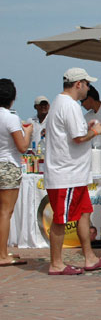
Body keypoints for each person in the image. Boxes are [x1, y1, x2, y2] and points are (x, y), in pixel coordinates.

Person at [43, 68, 101, 275]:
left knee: (83, 213)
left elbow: (74, 133)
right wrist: (94, 131)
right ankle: (56, 263)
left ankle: (89, 257)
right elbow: (78, 138)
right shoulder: (70, 105)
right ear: (78, 84)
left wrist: (87, 128)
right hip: (66, 174)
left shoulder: (59, 102)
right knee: (61, 219)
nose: (89, 88)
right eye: (87, 84)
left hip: (72, 174)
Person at [0, 79, 32, 267]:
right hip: (8, 166)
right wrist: (28, 132)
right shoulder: (10, 117)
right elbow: (22, 147)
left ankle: (2, 250)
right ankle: (3, 255)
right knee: (5, 212)